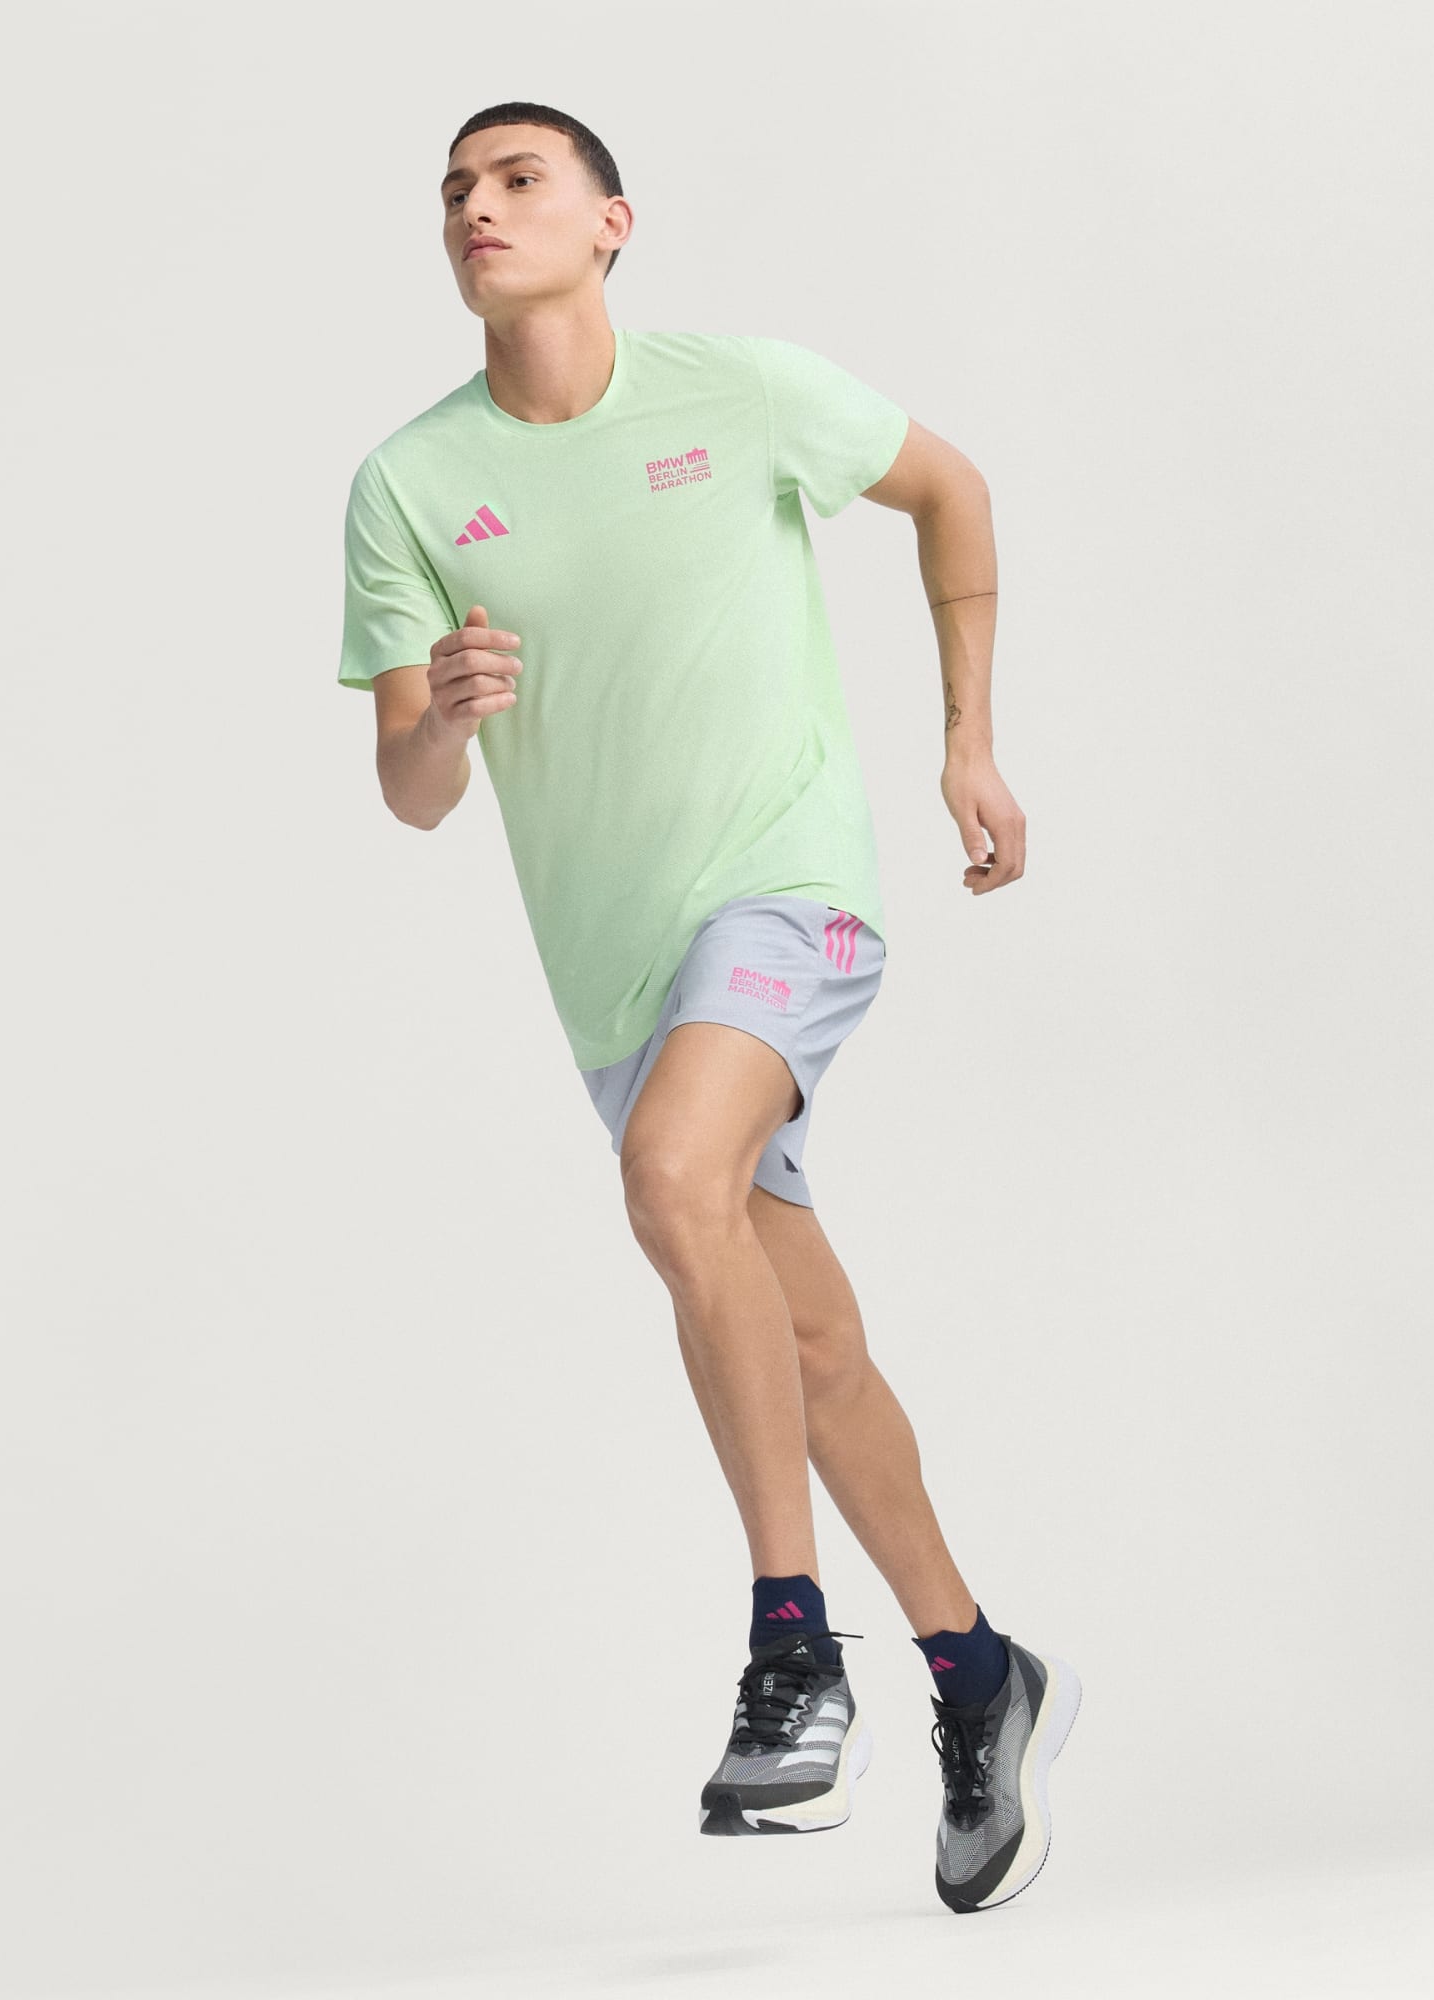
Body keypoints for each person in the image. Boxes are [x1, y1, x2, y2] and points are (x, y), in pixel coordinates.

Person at [334, 100, 1080, 1914]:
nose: (478, 207)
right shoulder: (409, 486)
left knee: (674, 1181)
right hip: (619, 979)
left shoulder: (738, 392)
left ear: (612, 222)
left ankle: (790, 1648)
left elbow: (951, 491)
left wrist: (970, 741)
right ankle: (980, 1672)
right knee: (806, 1347)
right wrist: (444, 711)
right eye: (455, 190)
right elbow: (410, 792)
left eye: (519, 180)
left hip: (789, 887)